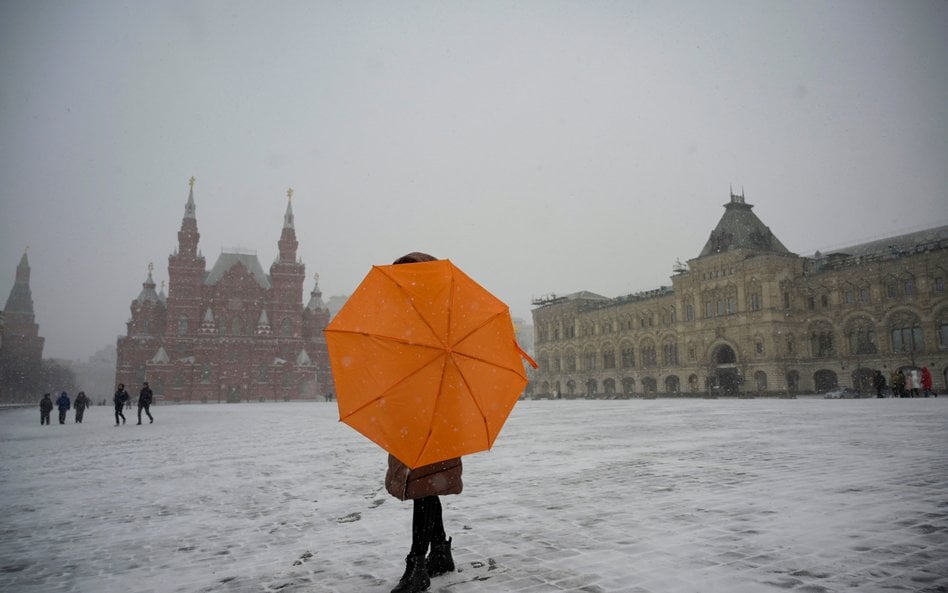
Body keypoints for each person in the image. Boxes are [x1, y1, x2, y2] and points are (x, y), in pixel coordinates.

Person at [385, 252, 460, 593]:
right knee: (427, 486)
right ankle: (440, 552)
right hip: (411, 411)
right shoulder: (405, 316)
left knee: (423, 489)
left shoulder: (442, 318)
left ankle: (417, 564)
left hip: (436, 413)